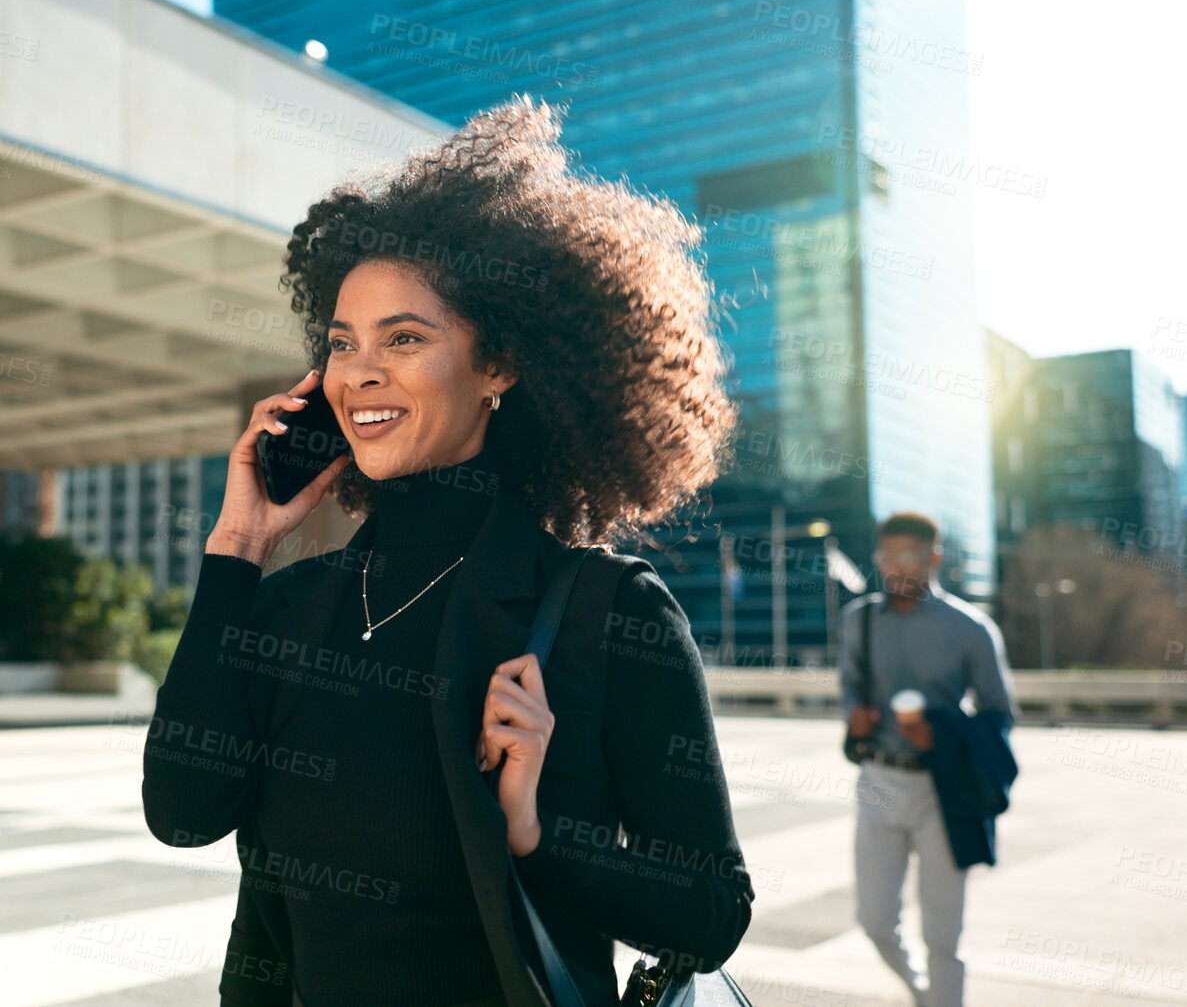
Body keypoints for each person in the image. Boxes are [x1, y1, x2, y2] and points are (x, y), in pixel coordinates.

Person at [141, 96, 754, 1007]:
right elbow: (183, 815)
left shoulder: (606, 609)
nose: (360, 372)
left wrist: (531, 832)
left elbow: (711, 913)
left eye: (405, 338)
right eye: (342, 343)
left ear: (499, 364)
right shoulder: (286, 602)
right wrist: (235, 550)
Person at [838, 513, 1020, 1007]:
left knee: (943, 935)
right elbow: (850, 685)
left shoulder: (971, 629)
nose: (895, 568)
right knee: (874, 921)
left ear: (933, 558)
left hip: (944, 788)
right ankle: (924, 993)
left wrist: (938, 733)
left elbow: (1000, 714)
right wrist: (855, 715)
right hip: (878, 779)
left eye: (907, 557)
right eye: (886, 558)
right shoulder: (860, 619)